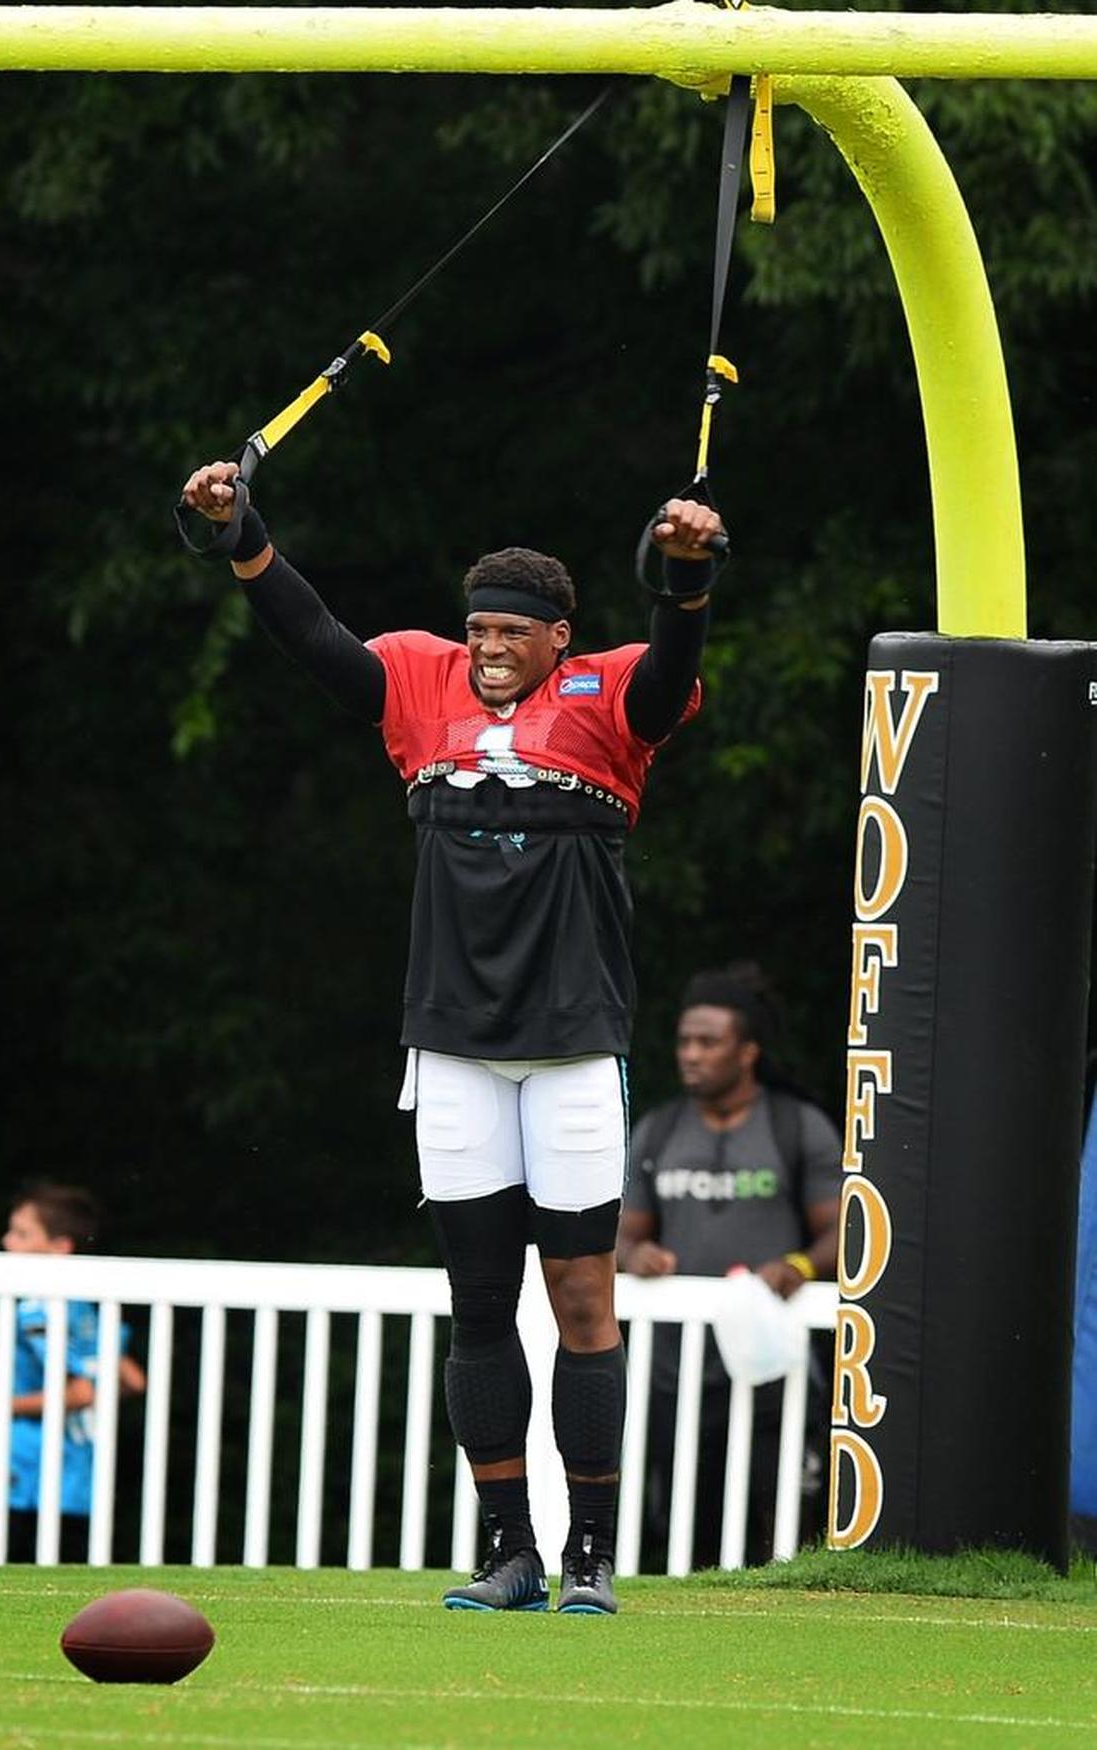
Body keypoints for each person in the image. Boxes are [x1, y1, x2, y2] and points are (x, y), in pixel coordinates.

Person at [180, 458, 722, 1613]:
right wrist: (240, 532)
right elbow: (313, 634)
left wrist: (685, 580)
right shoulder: (421, 685)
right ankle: (508, 1547)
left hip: (574, 1043)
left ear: (558, 637)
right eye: (476, 625)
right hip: (453, 1045)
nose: (485, 644)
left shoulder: (607, 698)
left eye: (509, 630)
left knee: (581, 1293)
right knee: (478, 1302)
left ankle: (588, 1553)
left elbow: (673, 667)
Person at [618, 963, 842, 1568]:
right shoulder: (659, 1131)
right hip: (678, 1369)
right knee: (684, 1526)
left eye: (708, 1042)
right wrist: (636, 1255)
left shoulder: (797, 1127)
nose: (690, 1054)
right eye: (685, 1040)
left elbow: (844, 1232)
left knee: (785, 1523)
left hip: (773, 1369)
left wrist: (798, 1263)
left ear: (748, 1052)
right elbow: (620, 1237)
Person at [0, 1181, 146, 1562]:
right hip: (79, 1475)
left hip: (33, 1473)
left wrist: (4, 1404)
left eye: (22, 1234)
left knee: (13, 1580)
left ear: (60, 1247)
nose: (6, 1241)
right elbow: (132, 1381)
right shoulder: (80, 1308)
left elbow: (81, 1393)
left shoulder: (37, 1310)